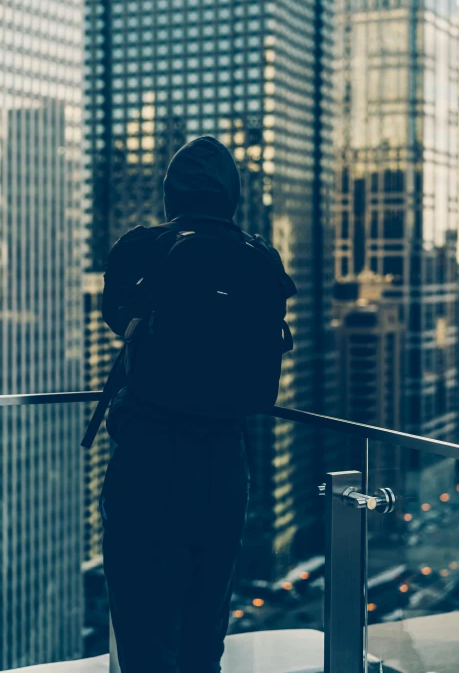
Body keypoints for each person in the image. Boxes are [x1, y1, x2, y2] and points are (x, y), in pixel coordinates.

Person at [98, 136, 295, 673]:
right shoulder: (261, 256)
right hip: (227, 467)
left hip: (151, 461)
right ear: (233, 197)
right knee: (204, 636)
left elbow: (116, 315)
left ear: (171, 193)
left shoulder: (141, 246)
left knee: (144, 636)